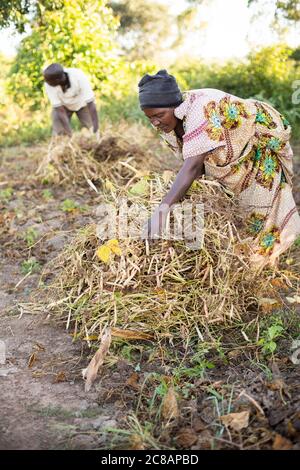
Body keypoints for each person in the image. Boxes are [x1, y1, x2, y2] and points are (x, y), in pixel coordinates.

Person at [138, 69, 300, 267]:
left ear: (175, 106)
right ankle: (248, 262)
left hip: (257, 147)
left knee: (262, 211)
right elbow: (196, 163)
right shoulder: (169, 123)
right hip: (234, 158)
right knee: (240, 210)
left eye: (159, 115)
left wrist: (161, 212)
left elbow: (192, 166)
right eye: (149, 118)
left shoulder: (200, 109)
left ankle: (264, 265)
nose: (155, 122)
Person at [43, 63, 99, 138]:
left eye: (49, 82)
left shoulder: (78, 76)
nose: (47, 83)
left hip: (82, 104)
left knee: (92, 129)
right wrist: (70, 134)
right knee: (59, 134)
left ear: (58, 80)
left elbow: (91, 103)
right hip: (63, 107)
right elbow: (60, 110)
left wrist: (96, 127)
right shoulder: (48, 84)